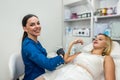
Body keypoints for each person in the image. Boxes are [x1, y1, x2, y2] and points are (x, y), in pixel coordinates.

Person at [21, 14, 80, 80]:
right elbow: (49, 65)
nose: (37, 26)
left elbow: (43, 58)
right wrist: (61, 56)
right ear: (25, 28)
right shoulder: (29, 46)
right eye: (32, 25)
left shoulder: (35, 42)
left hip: (41, 74)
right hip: (34, 77)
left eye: (38, 23)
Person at [35, 33, 116, 80]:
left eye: (100, 39)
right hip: (65, 71)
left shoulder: (106, 58)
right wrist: (72, 43)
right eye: (95, 38)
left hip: (81, 76)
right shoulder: (83, 52)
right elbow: (66, 60)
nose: (96, 40)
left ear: (106, 45)